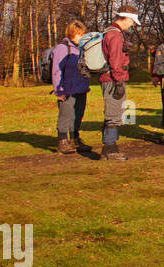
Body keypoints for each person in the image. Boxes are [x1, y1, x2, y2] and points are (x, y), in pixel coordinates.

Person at [97, 8, 139, 161]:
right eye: (132, 21)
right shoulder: (115, 35)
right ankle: (110, 148)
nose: (132, 25)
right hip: (113, 79)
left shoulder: (112, 32)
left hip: (111, 78)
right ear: (126, 19)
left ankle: (108, 148)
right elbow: (115, 61)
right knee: (113, 113)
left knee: (113, 111)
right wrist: (119, 80)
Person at [52, 20, 89, 155]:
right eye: (80, 34)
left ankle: (75, 139)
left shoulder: (81, 49)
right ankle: (62, 141)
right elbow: (56, 71)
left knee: (77, 116)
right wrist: (59, 91)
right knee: (65, 116)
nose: (82, 37)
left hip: (81, 88)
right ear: (72, 33)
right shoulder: (62, 49)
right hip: (67, 89)